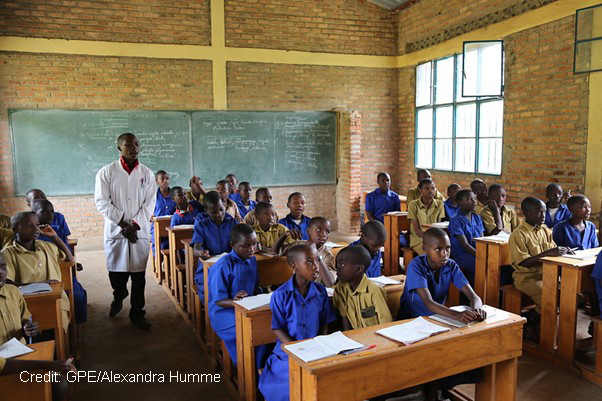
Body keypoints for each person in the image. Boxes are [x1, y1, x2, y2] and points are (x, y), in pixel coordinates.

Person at [397, 228, 485, 401]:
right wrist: (457, 315)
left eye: (448, 248)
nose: (445, 254)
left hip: (437, 320)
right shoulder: (416, 265)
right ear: (425, 249)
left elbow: (474, 296)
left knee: (465, 354)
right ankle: (431, 389)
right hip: (411, 321)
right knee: (433, 355)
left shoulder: (450, 265)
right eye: (438, 249)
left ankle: (438, 387)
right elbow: (428, 303)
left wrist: (476, 309)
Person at [258, 244, 337, 401]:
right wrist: (296, 350)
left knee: (328, 382)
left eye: (316, 260)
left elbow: (325, 323)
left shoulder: (320, 291)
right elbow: (278, 328)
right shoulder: (281, 295)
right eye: (309, 262)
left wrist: (319, 344)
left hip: (316, 349)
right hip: (288, 352)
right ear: (294, 266)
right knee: (288, 385)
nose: (315, 267)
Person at [94, 132, 156, 330]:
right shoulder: (106, 172)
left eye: (136, 144)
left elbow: (150, 203)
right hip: (116, 232)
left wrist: (135, 225)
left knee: (139, 277)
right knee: (117, 274)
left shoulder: (147, 174)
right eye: (128, 145)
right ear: (119, 147)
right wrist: (123, 225)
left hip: (139, 232)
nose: (133, 148)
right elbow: (102, 202)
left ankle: (137, 314)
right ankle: (119, 295)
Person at [509, 197, 572, 342]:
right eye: (539, 213)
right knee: (550, 298)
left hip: (548, 275)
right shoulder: (518, 234)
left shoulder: (545, 230)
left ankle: (533, 320)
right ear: (526, 212)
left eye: (544, 212)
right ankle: (536, 327)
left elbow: (553, 250)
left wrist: (562, 251)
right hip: (527, 278)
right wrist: (548, 253)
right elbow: (524, 262)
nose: (543, 216)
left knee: (569, 296)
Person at [208, 224, 269, 367]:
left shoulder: (252, 260)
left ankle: (257, 367)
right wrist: (236, 301)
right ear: (233, 245)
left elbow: (255, 286)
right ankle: (246, 367)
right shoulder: (223, 265)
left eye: (254, 244)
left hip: (247, 307)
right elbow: (219, 300)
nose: (251, 249)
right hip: (224, 312)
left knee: (266, 326)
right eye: (246, 246)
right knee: (257, 329)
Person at [2, 212, 72, 332]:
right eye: (29, 225)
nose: (36, 228)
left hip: (56, 301)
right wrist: (41, 284)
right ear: (14, 230)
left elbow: (70, 259)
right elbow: (8, 282)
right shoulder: (7, 253)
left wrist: (54, 236)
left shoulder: (46, 246)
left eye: (37, 224)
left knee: (60, 324)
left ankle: (63, 348)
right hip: (27, 304)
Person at [31, 199, 88, 325]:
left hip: (59, 274)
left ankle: (73, 329)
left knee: (76, 296)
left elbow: (68, 256)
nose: (50, 215)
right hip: (35, 281)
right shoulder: (26, 239)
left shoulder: (53, 234)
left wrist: (55, 237)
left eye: (51, 212)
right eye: (45, 212)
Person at [333, 245, 392, 330]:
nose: (336, 268)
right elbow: (344, 320)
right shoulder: (340, 290)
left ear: (359, 269)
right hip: (355, 338)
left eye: (342, 265)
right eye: (337, 264)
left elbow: (386, 324)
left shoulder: (374, 291)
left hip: (377, 338)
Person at [191, 191, 237, 300]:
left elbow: (240, 241)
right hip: (208, 269)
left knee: (237, 287)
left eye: (221, 209)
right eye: (214, 212)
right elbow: (196, 248)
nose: (219, 214)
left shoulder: (232, 222)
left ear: (224, 206)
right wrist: (201, 252)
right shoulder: (202, 225)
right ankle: (214, 314)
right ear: (206, 211)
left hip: (230, 266)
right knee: (213, 291)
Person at [282, 216, 336, 287]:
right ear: (308, 231)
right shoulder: (298, 245)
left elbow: (330, 283)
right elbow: (277, 252)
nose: (323, 235)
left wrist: (317, 256)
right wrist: (283, 236)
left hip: (315, 290)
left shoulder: (327, 255)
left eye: (327, 231)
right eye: (318, 230)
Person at [449, 190, 485, 284]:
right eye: (470, 199)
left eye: (475, 198)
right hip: (462, 254)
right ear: (460, 203)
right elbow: (464, 244)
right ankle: (478, 292)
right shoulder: (456, 220)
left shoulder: (477, 218)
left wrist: (483, 254)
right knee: (480, 265)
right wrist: (481, 256)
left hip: (477, 252)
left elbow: (482, 240)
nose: (474, 202)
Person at [408, 178, 445, 255]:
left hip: (434, 238)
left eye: (433, 188)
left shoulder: (439, 204)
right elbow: (417, 230)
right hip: (418, 238)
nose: (430, 191)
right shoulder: (413, 204)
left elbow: (438, 226)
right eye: (426, 188)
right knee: (431, 253)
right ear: (420, 190)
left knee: (444, 251)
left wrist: (434, 239)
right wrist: (430, 238)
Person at [150, 170, 177, 254]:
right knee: (161, 244)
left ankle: (173, 263)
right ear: (156, 181)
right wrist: (150, 216)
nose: (165, 181)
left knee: (177, 243)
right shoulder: (152, 196)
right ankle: (159, 263)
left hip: (173, 225)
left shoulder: (175, 194)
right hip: (157, 226)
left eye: (167, 178)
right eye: (162, 179)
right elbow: (147, 212)